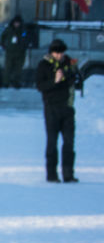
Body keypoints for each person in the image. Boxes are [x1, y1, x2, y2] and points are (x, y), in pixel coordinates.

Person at [36, 37, 80, 183]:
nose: (59, 55)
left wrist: (71, 76)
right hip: (51, 108)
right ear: (51, 52)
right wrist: (54, 81)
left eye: (61, 52)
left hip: (67, 107)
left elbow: (76, 80)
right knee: (52, 142)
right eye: (56, 53)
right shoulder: (44, 65)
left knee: (69, 142)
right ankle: (51, 174)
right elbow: (40, 86)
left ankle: (68, 174)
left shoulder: (69, 63)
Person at [1, 14, 30, 88]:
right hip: (10, 52)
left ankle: (16, 82)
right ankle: (6, 82)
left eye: (18, 23)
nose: (17, 24)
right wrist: (3, 45)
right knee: (8, 68)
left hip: (20, 52)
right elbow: (2, 37)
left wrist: (24, 46)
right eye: (15, 23)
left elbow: (26, 38)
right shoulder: (9, 29)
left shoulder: (23, 30)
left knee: (18, 69)